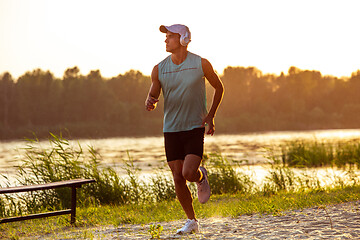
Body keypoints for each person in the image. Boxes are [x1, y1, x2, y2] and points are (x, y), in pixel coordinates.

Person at [145, 24, 224, 234]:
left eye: (170, 36)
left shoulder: (200, 63)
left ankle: (200, 177)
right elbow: (154, 92)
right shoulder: (159, 68)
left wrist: (211, 115)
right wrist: (150, 100)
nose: (165, 40)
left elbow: (219, 87)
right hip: (171, 129)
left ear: (183, 39)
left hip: (194, 126)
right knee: (177, 176)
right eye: (166, 37)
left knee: (188, 173)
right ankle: (192, 221)